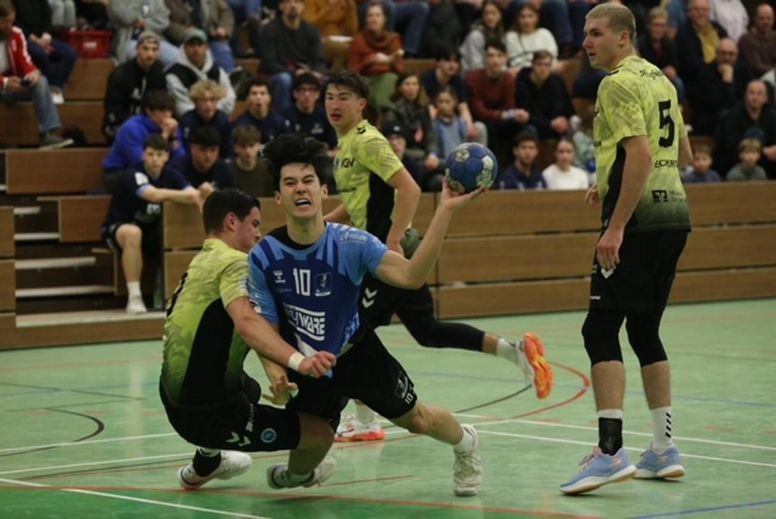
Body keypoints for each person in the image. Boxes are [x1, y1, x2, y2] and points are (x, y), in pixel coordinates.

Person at [323, 70, 553, 442]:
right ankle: (517, 352)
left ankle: (364, 420)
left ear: (361, 104)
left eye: (343, 97)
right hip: (380, 252)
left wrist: (393, 241)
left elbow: (409, 188)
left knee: (351, 332)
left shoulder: (367, 141)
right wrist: (320, 225)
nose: (334, 104)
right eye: (330, 96)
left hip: (382, 257)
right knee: (427, 331)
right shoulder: (345, 146)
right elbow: (355, 204)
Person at [249, 134, 484, 496]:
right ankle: (304, 472)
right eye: (290, 183)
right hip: (308, 367)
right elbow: (264, 328)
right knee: (297, 471)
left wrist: (445, 210)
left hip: (358, 355)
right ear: (278, 197)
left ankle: (466, 443)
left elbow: (411, 275)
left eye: (308, 181)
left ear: (323, 190)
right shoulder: (264, 256)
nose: (301, 189)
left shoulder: (351, 243)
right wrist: (277, 374)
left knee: (418, 420)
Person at [560, 3, 693, 495]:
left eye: (595, 34)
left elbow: (639, 152)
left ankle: (610, 451)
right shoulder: (660, 78)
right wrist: (609, 179)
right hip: (674, 216)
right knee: (644, 330)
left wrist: (615, 226)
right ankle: (662, 449)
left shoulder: (615, 83)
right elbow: (681, 154)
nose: (587, 43)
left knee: (598, 328)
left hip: (636, 223)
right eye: (585, 34)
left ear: (623, 37)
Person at [161, 187, 339, 491]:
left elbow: (252, 323)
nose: (259, 234)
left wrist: (274, 372)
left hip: (171, 395)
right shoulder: (236, 263)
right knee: (321, 434)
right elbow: (247, 322)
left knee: (251, 389)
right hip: (205, 416)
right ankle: (295, 477)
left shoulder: (204, 260)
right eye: (254, 224)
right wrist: (298, 361)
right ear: (232, 222)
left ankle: (205, 464)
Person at [102, 135, 201, 314]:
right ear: (143, 155)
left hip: (151, 233)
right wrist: (188, 196)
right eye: (150, 154)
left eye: (159, 154)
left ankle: (177, 295)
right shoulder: (133, 174)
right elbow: (153, 195)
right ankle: (135, 298)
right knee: (133, 233)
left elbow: (194, 194)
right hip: (118, 228)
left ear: (167, 157)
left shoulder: (171, 175)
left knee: (176, 235)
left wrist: (202, 192)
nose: (154, 159)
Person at [0, 0, 73, 149]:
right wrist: (6, 82)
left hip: (11, 86)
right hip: (4, 84)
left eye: (11, 21)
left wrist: (32, 73)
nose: (10, 26)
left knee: (41, 81)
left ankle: (47, 134)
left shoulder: (15, 34)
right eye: (5, 22)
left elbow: (25, 61)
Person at [103, 90, 186, 193]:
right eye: (162, 111)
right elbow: (144, 162)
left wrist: (174, 137)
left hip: (156, 171)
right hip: (119, 173)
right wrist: (164, 136)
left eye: (169, 111)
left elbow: (181, 160)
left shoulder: (172, 128)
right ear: (149, 111)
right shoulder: (131, 128)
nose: (167, 116)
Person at [258, 0, 327, 114]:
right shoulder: (269, 30)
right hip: (277, 74)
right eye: (288, 2)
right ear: (281, 6)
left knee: (328, 81)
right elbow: (269, 63)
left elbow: (319, 60)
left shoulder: (312, 31)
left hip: (305, 72)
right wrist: (294, 72)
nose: (293, 5)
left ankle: (324, 123)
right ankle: (283, 122)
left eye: (297, 2)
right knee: (284, 80)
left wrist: (316, 72)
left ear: (303, 6)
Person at [102, 31, 168, 143]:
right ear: (137, 49)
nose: (150, 54)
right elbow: (113, 111)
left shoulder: (160, 74)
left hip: (150, 123)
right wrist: (140, 123)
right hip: (119, 123)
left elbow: (162, 105)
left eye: (154, 49)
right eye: (145, 49)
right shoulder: (120, 74)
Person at [11, 0, 77, 104]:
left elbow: (47, 15)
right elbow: (16, 24)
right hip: (25, 38)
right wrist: (36, 40)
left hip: (43, 38)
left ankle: (55, 88)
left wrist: (46, 35)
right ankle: (46, 89)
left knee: (69, 53)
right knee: (40, 54)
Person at [165, 28, 237, 118]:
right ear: (184, 47)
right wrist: (211, 109)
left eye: (199, 45)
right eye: (191, 45)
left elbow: (230, 99)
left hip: (216, 120)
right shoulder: (174, 75)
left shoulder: (217, 71)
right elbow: (183, 108)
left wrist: (210, 112)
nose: (196, 49)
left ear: (206, 47)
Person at [169, 126, 235, 200]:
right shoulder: (177, 168)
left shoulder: (224, 170)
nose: (208, 155)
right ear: (192, 148)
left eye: (213, 150)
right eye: (203, 150)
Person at [179, 79, 234, 158]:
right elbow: (185, 150)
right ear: (195, 102)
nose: (208, 105)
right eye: (203, 100)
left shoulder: (223, 120)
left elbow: (228, 150)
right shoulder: (187, 121)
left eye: (212, 100)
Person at [232, 126, 275, 197]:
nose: (247, 151)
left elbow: (271, 199)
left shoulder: (267, 170)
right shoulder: (227, 170)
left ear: (258, 146)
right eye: (243, 146)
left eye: (251, 145)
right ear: (236, 147)